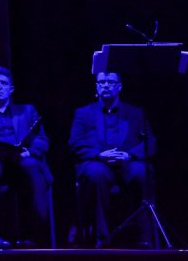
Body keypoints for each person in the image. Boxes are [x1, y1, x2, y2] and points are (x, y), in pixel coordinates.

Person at [68, 70, 155, 248]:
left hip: (127, 162)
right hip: (97, 162)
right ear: (96, 87)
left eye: (111, 82)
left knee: (142, 172)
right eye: (101, 82)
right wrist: (99, 155)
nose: (106, 85)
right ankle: (102, 239)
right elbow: (75, 142)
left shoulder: (136, 113)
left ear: (119, 87)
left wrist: (129, 155)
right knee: (97, 174)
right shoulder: (83, 113)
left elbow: (151, 142)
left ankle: (143, 237)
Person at [0, 66, 52, 249]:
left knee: (31, 164)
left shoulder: (27, 111)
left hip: (21, 159)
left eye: (3, 83)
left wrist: (29, 151)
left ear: (11, 89)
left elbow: (42, 140)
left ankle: (36, 234)